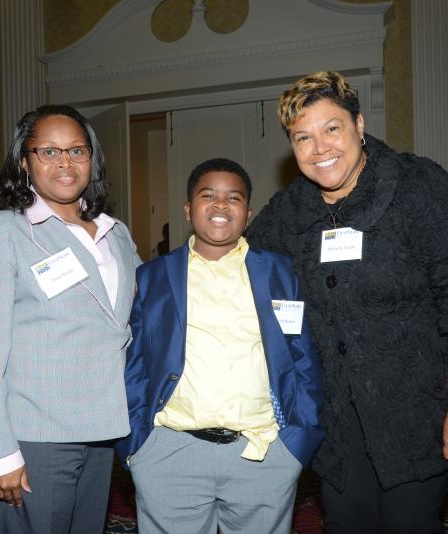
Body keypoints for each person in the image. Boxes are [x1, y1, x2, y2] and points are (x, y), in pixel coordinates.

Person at [245, 71, 448, 533]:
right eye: (303, 137)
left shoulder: (417, 187)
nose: (319, 148)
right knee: (346, 522)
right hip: (338, 417)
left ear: (359, 125)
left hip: (418, 407)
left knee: (408, 522)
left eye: (332, 129)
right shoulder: (292, 209)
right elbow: (244, 266)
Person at [0, 104, 141, 533]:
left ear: (92, 159)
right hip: (35, 434)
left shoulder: (117, 233)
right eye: (49, 152)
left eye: (77, 151)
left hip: (103, 428)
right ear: (24, 161)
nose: (65, 163)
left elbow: (132, 320)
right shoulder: (1, 232)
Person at [115, 158, 325, 534]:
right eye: (207, 195)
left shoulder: (280, 273)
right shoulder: (153, 277)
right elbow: (135, 364)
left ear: (248, 213)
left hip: (263, 451)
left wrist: (297, 442)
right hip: (170, 450)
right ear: (188, 208)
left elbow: (303, 357)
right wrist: (138, 447)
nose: (220, 205)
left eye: (234, 197)